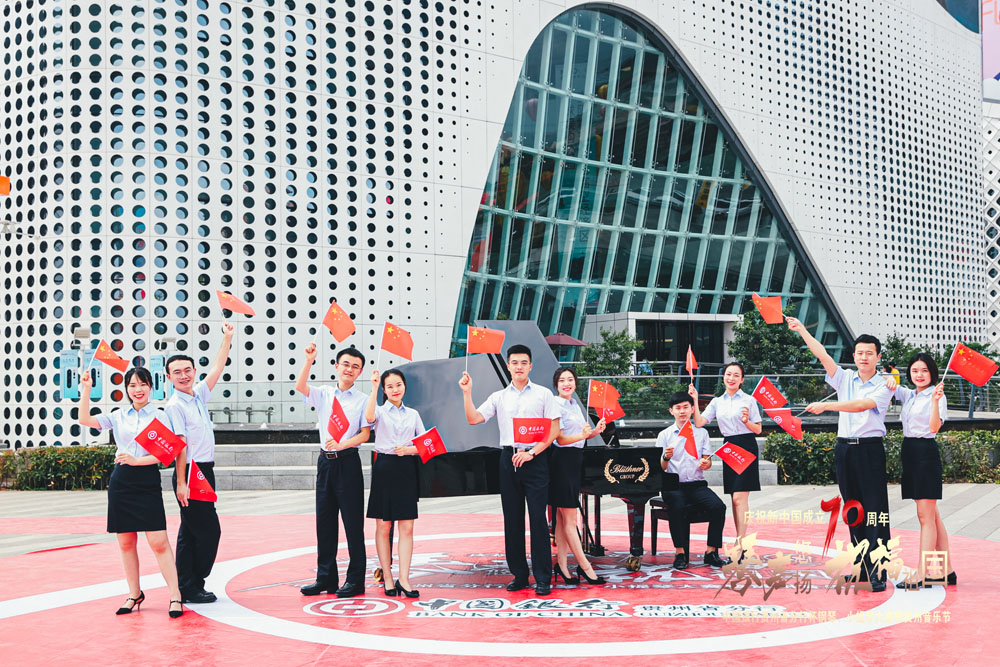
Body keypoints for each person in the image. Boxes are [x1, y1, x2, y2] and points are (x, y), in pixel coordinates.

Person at [792, 317, 893, 592]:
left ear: (878, 357)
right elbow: (823, 355)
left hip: (870, 450)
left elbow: (861, 405)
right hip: (844, 449)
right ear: (854, 356)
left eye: (869, 353)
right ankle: (861, 568)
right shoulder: (845, 377)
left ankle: (879, 570)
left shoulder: (885, 385)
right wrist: (802, 330)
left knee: (875, 512)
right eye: (859, 353)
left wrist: (827, 406)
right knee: (853, 510)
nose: (864, 357)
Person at [78, 367, 184, 618]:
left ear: (151, 387)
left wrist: (138, 461)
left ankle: (175, 595)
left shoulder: (161, 415)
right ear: (126, 389)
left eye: (143, 384)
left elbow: (169, 452)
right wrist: (86, 390)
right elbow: (85, 420)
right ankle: (134, 594)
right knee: (126, 542)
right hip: (121, 482)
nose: (138, 390)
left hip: (146, 480)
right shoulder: (118, 416)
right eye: (133, 385)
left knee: (158, 542)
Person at [460, 344, 560, 595]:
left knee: (538, 520)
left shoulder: (544, 394)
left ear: (530, 366)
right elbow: (473, 418)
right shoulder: (499, 397)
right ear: (508, 366)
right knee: (512, 520)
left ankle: (543, 578)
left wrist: (532, 452)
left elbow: (554, 430)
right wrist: (467, 393)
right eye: (514, 362)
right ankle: (519, 575)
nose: (519, 367)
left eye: (524, 362)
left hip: (535, 459)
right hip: (509, 459)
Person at [164, 321, 235, 604]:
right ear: (169, 377)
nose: (183, 376)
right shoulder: (175, 406)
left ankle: (187, 585)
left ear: (194, 371)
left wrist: (227, 338)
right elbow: (179, 446)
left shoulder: (198, 396)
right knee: (208, 532)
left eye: (187, 370)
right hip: (190, 473)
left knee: (190, 532)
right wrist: (181, 482)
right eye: (177, 372)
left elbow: (217, 367)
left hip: (205, 469)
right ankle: (193, 583)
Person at [296, 343, 372, 598]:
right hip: (325, 463)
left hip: (348, 462)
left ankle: (356, 580)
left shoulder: (363, 400)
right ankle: (326, 578)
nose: (349, 369)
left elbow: (365, 433)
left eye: (355, 366)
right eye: (346, 364)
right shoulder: (324, 393)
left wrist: (343, 444)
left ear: (360, 372)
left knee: (353, 524)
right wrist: (308, 360)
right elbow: (301, 387)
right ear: (336, 366)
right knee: (325, 523)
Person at [877, 355, 955, 588]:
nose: (919, 375)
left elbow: (934, 427)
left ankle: (922, 573)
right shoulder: (910, 395)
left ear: (932, 373)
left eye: (924, 370)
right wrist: (889, 379)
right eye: (914, 370)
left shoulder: (937, 396)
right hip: (909, 451)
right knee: (933, 515)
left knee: (925, 517)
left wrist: (935, 401)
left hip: (925, 453)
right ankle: (947, 571)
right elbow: (890, 385)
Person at [688, 362, 762, 560]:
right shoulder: (717, 402)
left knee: (740, 498)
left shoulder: (749, 400)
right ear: (723, 377)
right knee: (734, 499)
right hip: (729, 447)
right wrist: (695, 400)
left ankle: (740, 545)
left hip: (746, 446)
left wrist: (747, 421)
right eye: (728, 374)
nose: (731, 378)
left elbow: (758, 429)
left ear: (742, 379)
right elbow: (699, 422)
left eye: (736, 375)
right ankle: (741, 542)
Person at [364, 368, 424, 598]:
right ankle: (387, 577)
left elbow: (425, 444)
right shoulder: (379, 411)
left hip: (406, 468)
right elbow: (368, 418)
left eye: (398, 385)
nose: (395, 389)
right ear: (384, 390)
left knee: (407, 527)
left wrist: (408, 450)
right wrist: (373, 389)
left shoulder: (413, 414)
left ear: (405, 386)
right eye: (389, 386)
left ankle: (404, 579)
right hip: (384, 468)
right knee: (383, 526)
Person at [658, 391, 730, 570]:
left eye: (686, 407)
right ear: (671, 411)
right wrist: (666, 457)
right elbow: (660, 467)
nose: (682, 411)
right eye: (678, 408)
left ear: (692, 409)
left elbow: (707, 461)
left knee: (718, 507)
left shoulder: (701, 433)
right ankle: (680, 553)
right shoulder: (665, 435)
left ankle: (711, 552)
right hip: (673, 485)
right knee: (678, 505)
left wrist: (706, 463)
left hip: (696, 485)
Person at [550, 366, 606, 586]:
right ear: (556, 385)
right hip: (562, 461)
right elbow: (560, 439)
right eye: (562, 380)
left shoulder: (574, 404)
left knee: (562, 518)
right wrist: (582, 435)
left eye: (570, 379)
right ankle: (585, 568)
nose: (567, 384)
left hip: (574, 460)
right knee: (571, 519)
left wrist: (594, 432)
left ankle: (562, 566)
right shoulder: (555, 404)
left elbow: (580, 436)